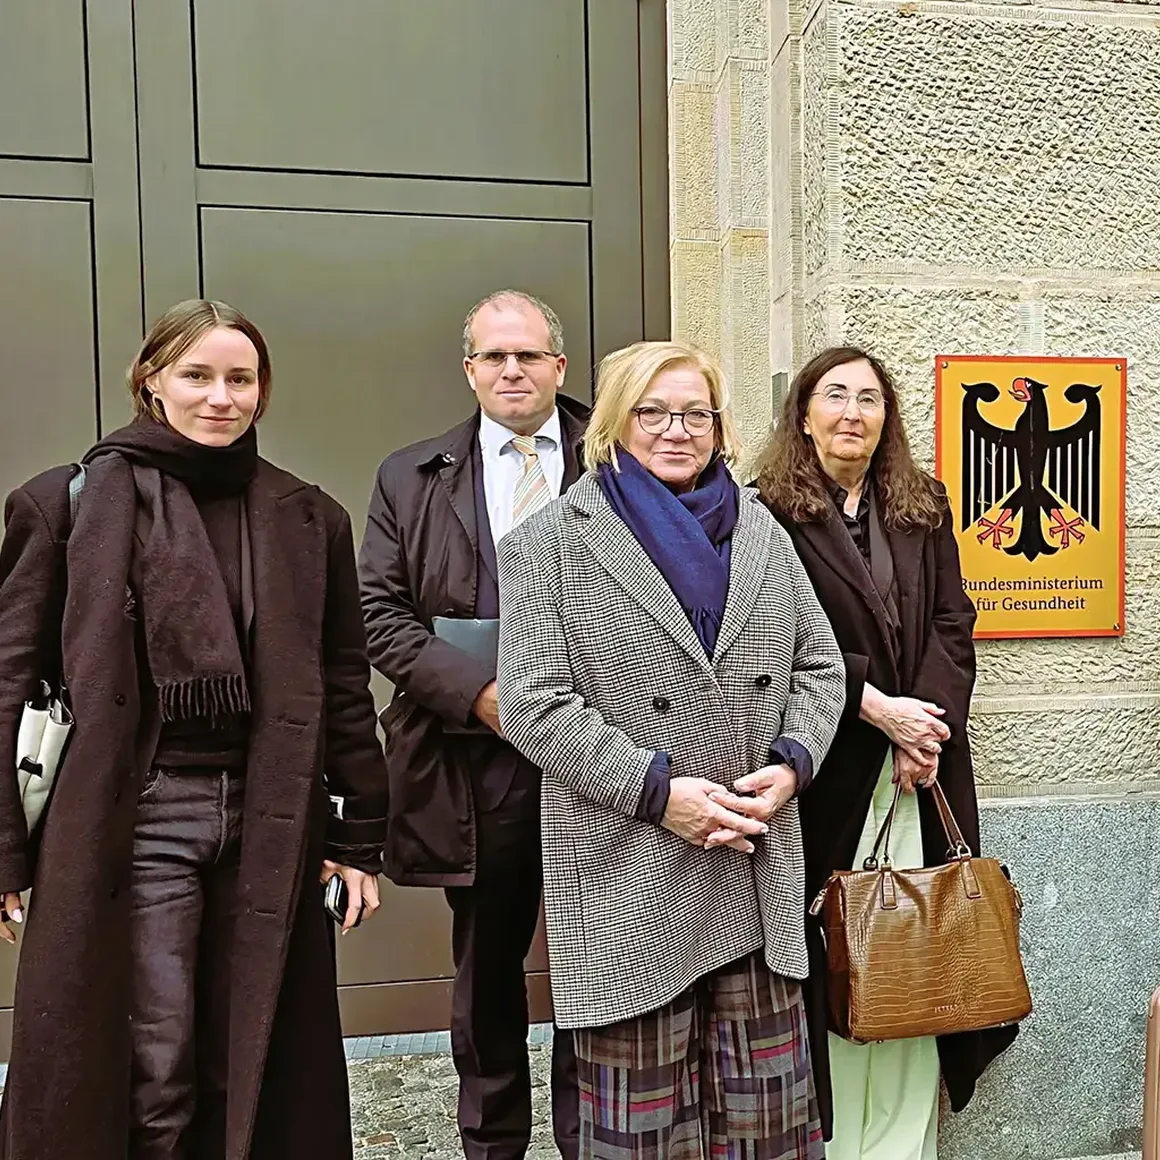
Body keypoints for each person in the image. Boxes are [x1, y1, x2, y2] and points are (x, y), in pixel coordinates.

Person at [0, 299, 387, 1160]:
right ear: (151, 383)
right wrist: (7, 853)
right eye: (198, 376)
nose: (221, 397)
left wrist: (358, 838)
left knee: (250, 1054)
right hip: (134, 818)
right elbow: (9, 681)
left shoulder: (307, 517)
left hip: (269, 817)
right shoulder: (64, 505)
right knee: (155, 1060)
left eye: (240, 379)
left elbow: (340, 684)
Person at [494, 339, 846, 1160]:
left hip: (753, 859)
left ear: (719, 426)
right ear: (614, 423)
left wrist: (793, 763)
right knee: (646, 1136)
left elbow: (820, 664)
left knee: (769, 1129)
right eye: (652, 411)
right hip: (631, 870)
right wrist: (660, 793)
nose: (676, 430)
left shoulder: (760, 528)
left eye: (695, 412)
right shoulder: (548, 543)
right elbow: (534, 705)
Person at [753, 346, 1019, 1159]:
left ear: (886, 417)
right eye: (835, 396)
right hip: (827, 767)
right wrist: (877, 710)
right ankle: (836, 1143)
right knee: (844, 954)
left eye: (869, 398)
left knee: (920, 955)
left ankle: (904, 1145)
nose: (852, 413)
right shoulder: (764, 511)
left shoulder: (922, 503)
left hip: (921, 767)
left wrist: (925, 730)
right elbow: (775, 645)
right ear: (804, 413)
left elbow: (952, 623)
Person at [358, 289, 584, 1160]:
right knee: (488, 972)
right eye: (494, 356)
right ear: (469, 370)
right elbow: (380, 615)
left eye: (528, 354)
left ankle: (590, 1138)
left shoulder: (618, 461)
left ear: (559, 366)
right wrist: (485, 697)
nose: (512, 370)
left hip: (599, 758)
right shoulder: (410, 477)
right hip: (475, 761)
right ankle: (492, 1144)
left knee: (597, 967)